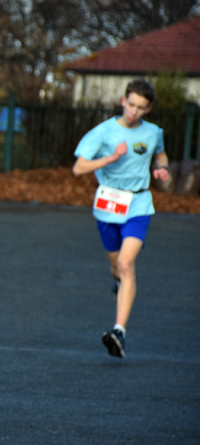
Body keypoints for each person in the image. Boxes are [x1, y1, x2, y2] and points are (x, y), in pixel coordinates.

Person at [72, 78, 170, 358]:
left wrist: (162, 170)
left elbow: (161, 157)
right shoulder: (102, 133)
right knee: (117, 268)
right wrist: (111, 158)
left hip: (139, 204)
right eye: (130, 104)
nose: (133, 112)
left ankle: (119, 332)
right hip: (108, 205)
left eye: (140, 107)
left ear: (148, 109)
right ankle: (118, 283)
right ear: (122, 101)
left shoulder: (153, 133)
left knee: (127, 264)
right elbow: (79, 168)